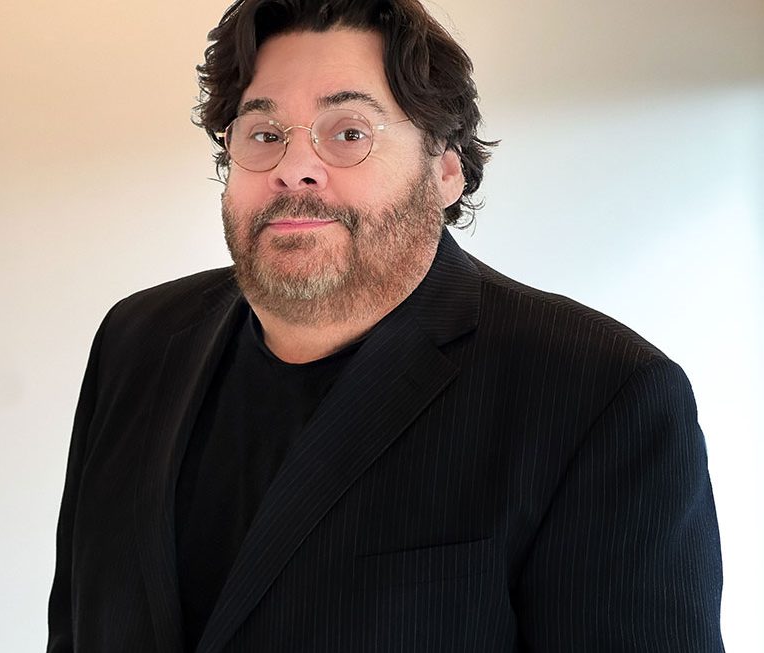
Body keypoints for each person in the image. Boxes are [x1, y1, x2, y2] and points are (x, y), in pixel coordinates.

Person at [47, 0, 725, 651]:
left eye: (349, 133)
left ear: (446, 168)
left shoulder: (602, 396)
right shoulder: (136, 340)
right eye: (264, 134)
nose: (294, 169)